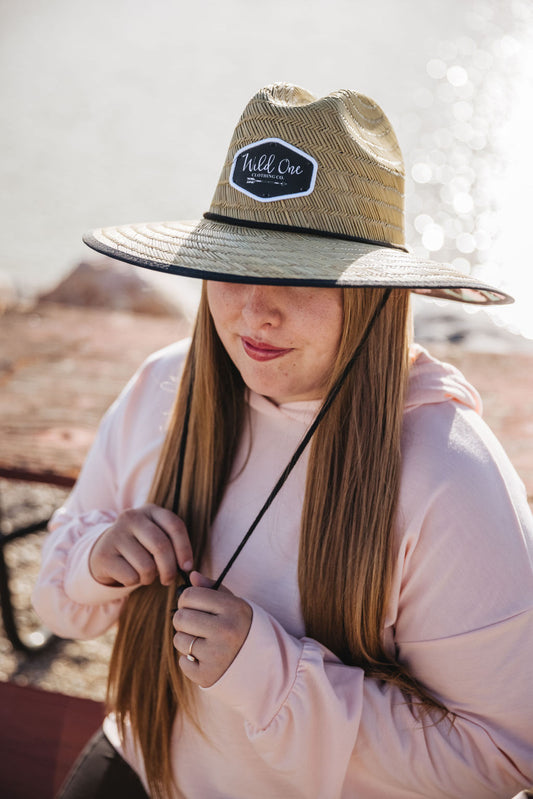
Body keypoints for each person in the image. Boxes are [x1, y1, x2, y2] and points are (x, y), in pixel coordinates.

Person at [33, 83, 533, 799]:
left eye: (298, 274)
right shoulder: (161, 388)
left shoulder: (446, 472)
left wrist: (270, 676)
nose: (253, 310)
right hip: (136, 762)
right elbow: (59, 608)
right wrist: (95, 556)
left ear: (374, 292)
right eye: (231, 265)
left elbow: (501, 754)